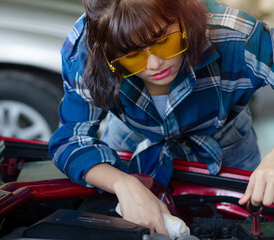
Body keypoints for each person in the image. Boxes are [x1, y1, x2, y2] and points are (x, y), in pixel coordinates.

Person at [49, 0, 274, 235]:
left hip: (225, 144)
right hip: (131, 141)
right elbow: (70, 139)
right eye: (133, 55)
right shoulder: (87, 50)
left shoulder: (234, 34)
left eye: (164, 41)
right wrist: (123, 183)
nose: (154, 64)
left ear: (182, 18)